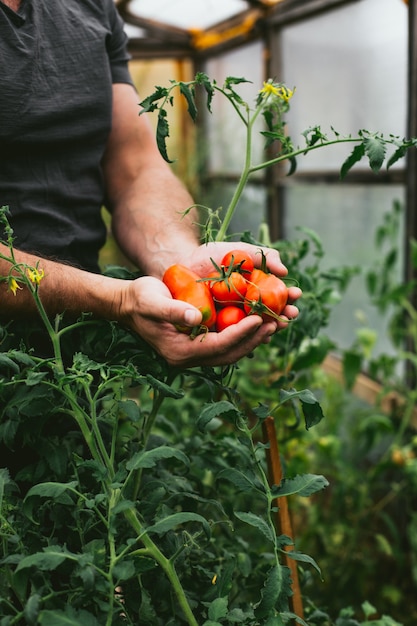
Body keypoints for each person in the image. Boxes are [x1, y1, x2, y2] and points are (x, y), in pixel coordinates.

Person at [0, 0, 301, 369]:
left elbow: (134, 166)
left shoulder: (91, 8)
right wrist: (116, 299)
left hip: (77, 355)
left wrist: (178, 264)